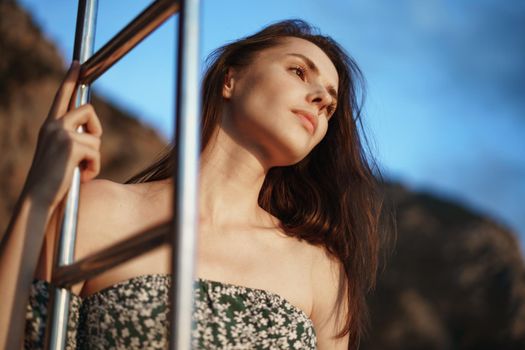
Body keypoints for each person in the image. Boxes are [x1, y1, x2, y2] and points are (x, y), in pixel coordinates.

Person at [0, 20, 389, 349]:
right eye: (299, 71)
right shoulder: (102, 209)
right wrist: (38, 193)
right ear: (231, 80)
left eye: (331, 106)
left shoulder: (320, 270)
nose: (321, 99)